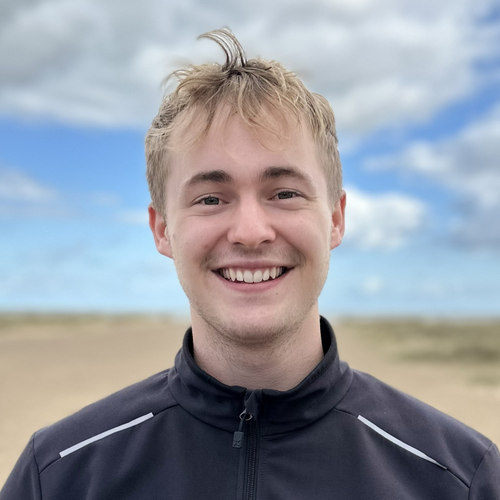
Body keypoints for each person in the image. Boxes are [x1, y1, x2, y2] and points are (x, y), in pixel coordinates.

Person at [1, 28, 499, 500]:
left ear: (335, 219)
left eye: (284, 193)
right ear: (162, 229)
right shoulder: (59, 475)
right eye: (211, 199)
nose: (250, 231)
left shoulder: (458, 478)